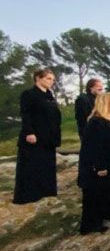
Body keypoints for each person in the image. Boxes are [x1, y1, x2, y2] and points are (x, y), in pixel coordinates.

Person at [13, 69, 61, 205]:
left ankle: (46, 191)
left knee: (46, 165)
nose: (51, 81)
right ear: (38, 78)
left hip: (48, 137)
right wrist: (29, 132)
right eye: (48, 78)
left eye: (52, 79)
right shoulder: (29, 94)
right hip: (34, 136)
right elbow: (25, 114)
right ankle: (29, 195)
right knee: (31, 166)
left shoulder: (49, 95)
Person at [77, 93, 110, 234]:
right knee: (95, 196)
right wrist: (99, 166)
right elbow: (92, 147)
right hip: (98, 168)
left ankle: (107, 216)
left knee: (106, 193)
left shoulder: (109, 121)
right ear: (107, 103)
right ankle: (92, 225)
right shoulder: (96, 122)